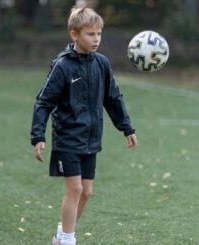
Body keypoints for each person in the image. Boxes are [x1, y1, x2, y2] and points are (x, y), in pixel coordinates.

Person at [30, 6, 138, 245]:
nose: (96, 39)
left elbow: (113, 98)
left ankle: (62, 232)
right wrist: (38, 135)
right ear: (74, 34)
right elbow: (44, 102)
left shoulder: (102, 64)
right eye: (91, 34)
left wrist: (127, 128)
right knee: (75, 189)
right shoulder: (62, 66)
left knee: (87, 192)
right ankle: (68, 240)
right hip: (67, 138)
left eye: (99, 34)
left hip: (91, 138)